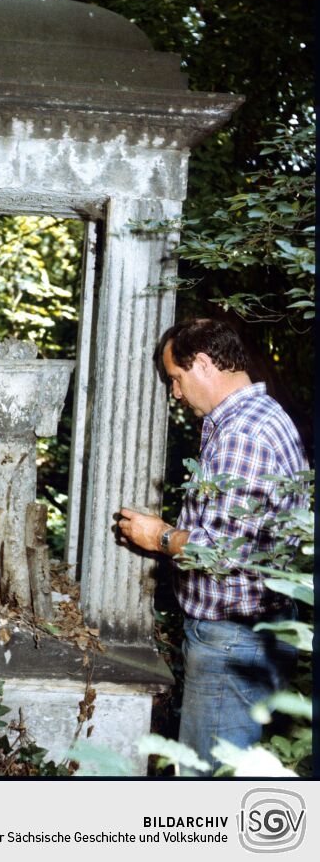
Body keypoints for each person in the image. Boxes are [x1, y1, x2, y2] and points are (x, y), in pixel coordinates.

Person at [118, 318, 308, 776]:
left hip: (232, 641)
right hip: (253, 632)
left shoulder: (242, 434)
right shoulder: (262, 416)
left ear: (202, 364)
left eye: (176, 379)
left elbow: (222, 553)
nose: (176, 394)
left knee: (206, 782)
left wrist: (159, 536)